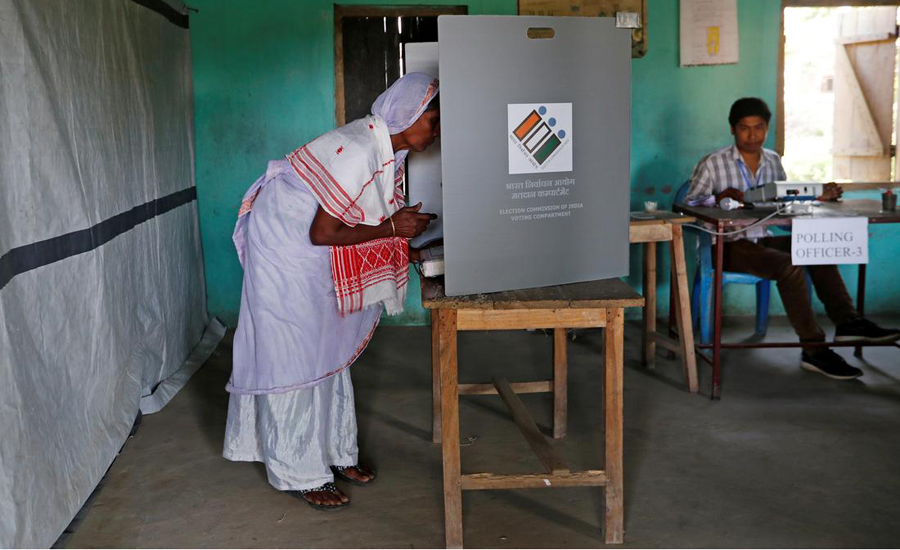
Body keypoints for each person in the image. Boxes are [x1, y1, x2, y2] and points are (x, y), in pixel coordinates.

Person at [223, 73, 440, 510]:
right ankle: (298, 470)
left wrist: (406, 247)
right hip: (285, 241)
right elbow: (323, 233)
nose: (437, 132)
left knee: (326, 342)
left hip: (306, 238)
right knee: (295, 349)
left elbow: (363, 216)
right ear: (407, 116)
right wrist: (394, 229)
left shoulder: (388, 151)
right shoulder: (360, 150)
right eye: (433, 121)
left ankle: (336, 453)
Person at [685, 97, 899, 380]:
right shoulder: (713, 163)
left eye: (758, 127)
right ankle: (814, 349)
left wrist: (817, 197)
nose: (752, 135)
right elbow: (689, 204)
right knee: (789, 266)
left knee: (819, 248)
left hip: (763, 237)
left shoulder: (773, 161)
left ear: (767, 128)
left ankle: (849, 322)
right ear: (732, 129)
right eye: (744, 128)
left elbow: (781, 204)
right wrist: (716, 198)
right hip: (727, 244)